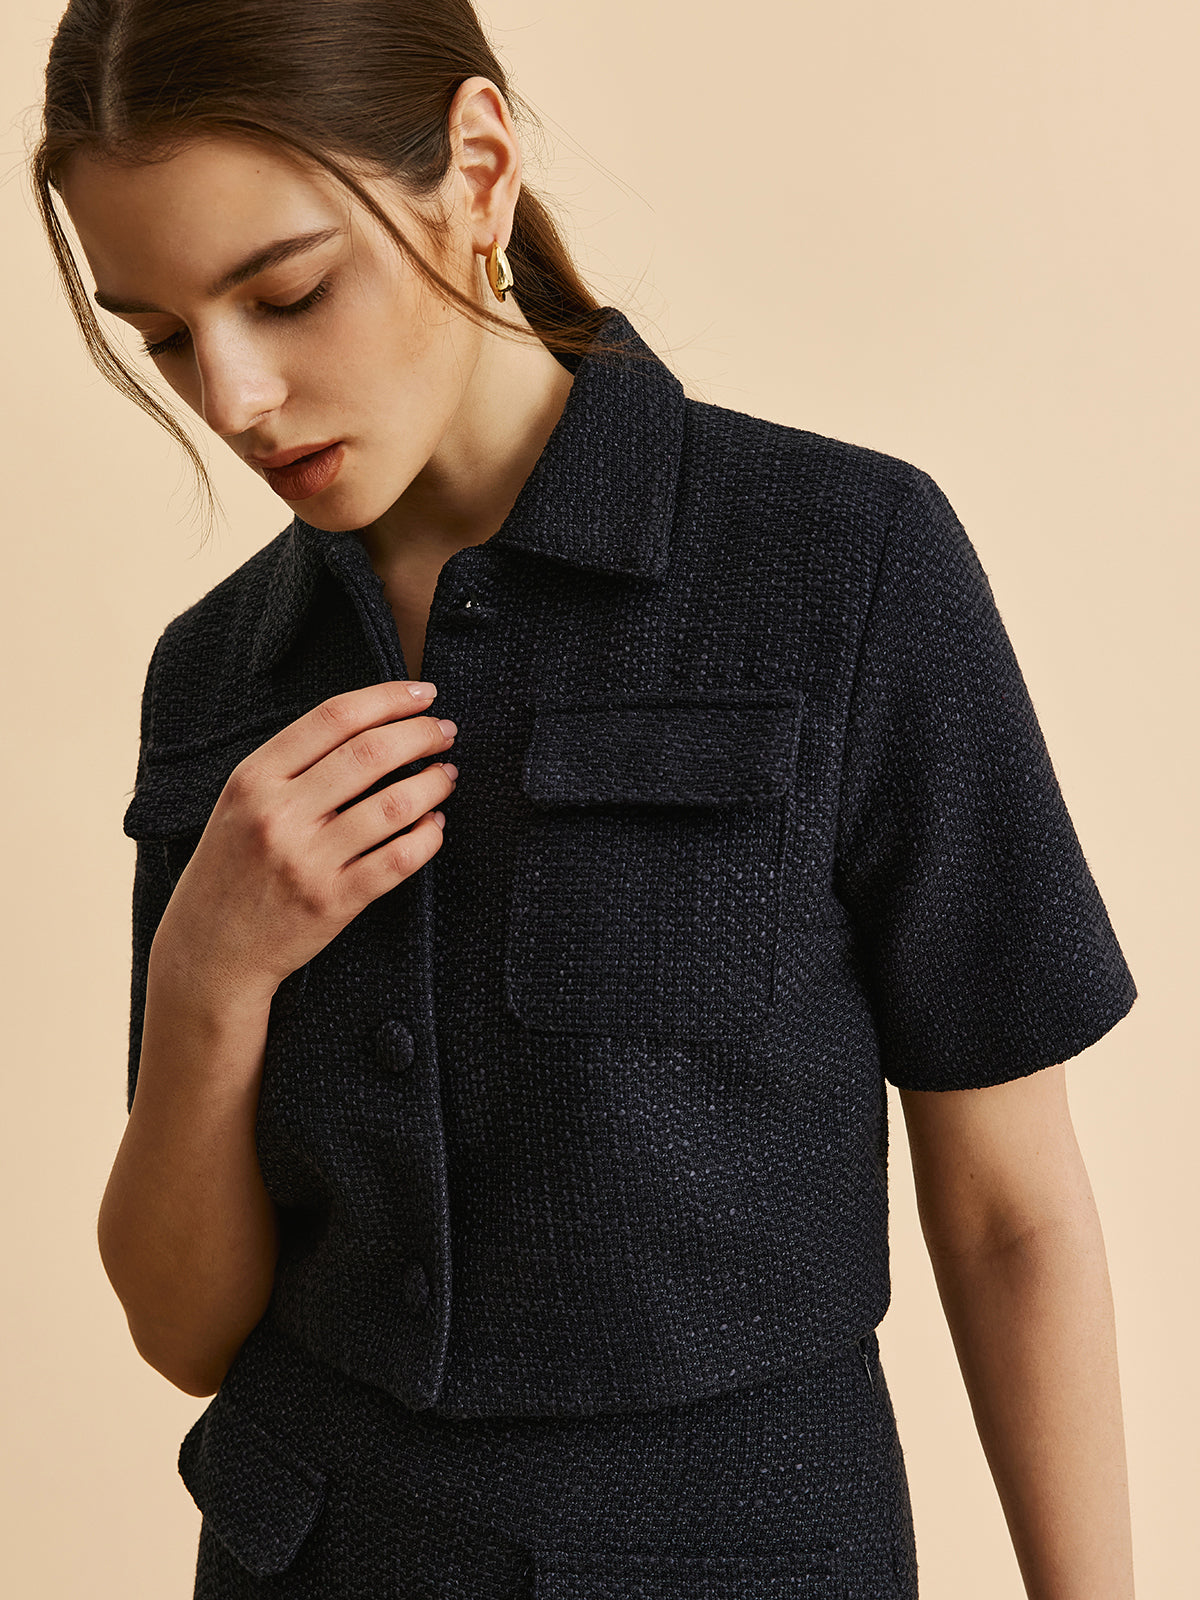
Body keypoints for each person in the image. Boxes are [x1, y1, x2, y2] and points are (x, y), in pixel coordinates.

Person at [35, 3, 1139, 1597]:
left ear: (476, 171)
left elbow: (1013, 1218)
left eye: (286, 293)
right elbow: (183, 1329)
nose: (236, 396)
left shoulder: (844, 566)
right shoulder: (216, 676)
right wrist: (208, 976)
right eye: (161, 335)